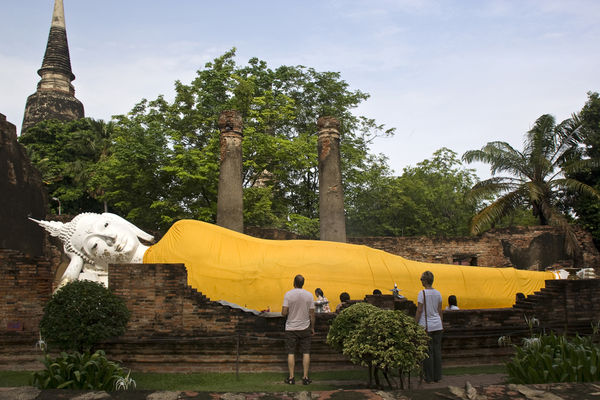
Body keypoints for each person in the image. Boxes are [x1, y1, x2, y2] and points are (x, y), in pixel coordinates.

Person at [32, 213, 567, 310]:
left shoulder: (181, 232)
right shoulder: (151, 284)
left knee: (391, 270)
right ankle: (536, 281)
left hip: (302, 259)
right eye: (96, 249)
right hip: (276, 287)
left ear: (119, 223)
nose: (109, 243)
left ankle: (534, 280)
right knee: (400, 279)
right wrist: (78, 272)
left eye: (105, 230)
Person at [282, 275, 315, 385]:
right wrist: (312, 327)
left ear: (294, 283)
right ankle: (305, 377)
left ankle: (291, 378)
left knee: (291, 352)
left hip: (291, 327)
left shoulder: (288, 294)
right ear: (303, 283)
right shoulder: (309, 295)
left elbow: (284, 312)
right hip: (305, 327)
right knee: (306, 352)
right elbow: (312, 314)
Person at [415, 271, 443, 383]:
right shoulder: (438, 293)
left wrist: (414, 324)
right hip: (437, 325)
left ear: (425, 281)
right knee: (437, 351)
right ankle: (437, 376)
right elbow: (440, 310)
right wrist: (441, 323)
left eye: (422, 279)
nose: (421, 281)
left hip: (427, 326)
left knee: (428, 352)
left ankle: (429, 377)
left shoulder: (422, 293)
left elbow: (419, 310)